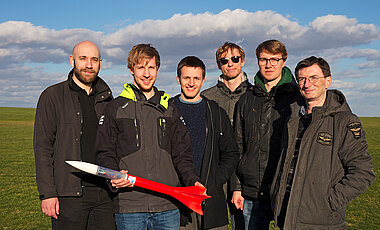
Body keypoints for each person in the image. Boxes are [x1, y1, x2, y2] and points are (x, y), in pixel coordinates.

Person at [95, 44, 201, 230]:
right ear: (131, 70)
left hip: (168, 205)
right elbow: (104, 151)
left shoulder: (169, 108)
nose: (146, 74)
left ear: (157, 69)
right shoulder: (116, 108)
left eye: (151, 67)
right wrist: (113, 174)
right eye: (140, 67)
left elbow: (182, 154)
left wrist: (192, 181)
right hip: (130, 206)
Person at [270, 56, 375, 229]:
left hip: (321, 220)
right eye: (302, 79)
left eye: (313, 78)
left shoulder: (344, 121)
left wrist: (329, 202)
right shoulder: (292, 117)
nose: (307, 84)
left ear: (327, 81)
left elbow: (363, 172)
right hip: (286, 213)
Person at [33, 41, 115, 229]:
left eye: (94, 60)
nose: (88, 64)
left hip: (105, 195)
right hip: (68, 195)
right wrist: (48, 193)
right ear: (72, 61)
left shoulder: (109, 99)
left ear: (100, 63)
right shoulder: (52, 95)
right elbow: (42, 148)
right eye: (83, 58)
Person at [230, 40, 301, 229]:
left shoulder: (297, 98)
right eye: (263, 60)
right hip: (252, 190)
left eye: (274, 59)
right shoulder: (246, 100)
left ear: (283, 61)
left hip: (287, 188)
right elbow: (237, 145)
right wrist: (237, 187)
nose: (268, 65)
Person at [171, 56, 240, 229]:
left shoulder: (216, 112)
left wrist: (215, 180)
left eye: (196, 78)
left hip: (210, 197)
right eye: (186, 78)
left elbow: (231, 153)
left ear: (203, 80)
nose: (191, 83)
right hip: (177, 197)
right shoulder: (167, 110)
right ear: (178, 79)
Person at [201, 42, 252, 229]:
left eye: (235, 59)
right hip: (215, 175)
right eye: (224, 60)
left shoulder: (255, 96)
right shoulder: (207, 98)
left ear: (242, 61)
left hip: (246, 177)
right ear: (218, 64)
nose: (230, 63)